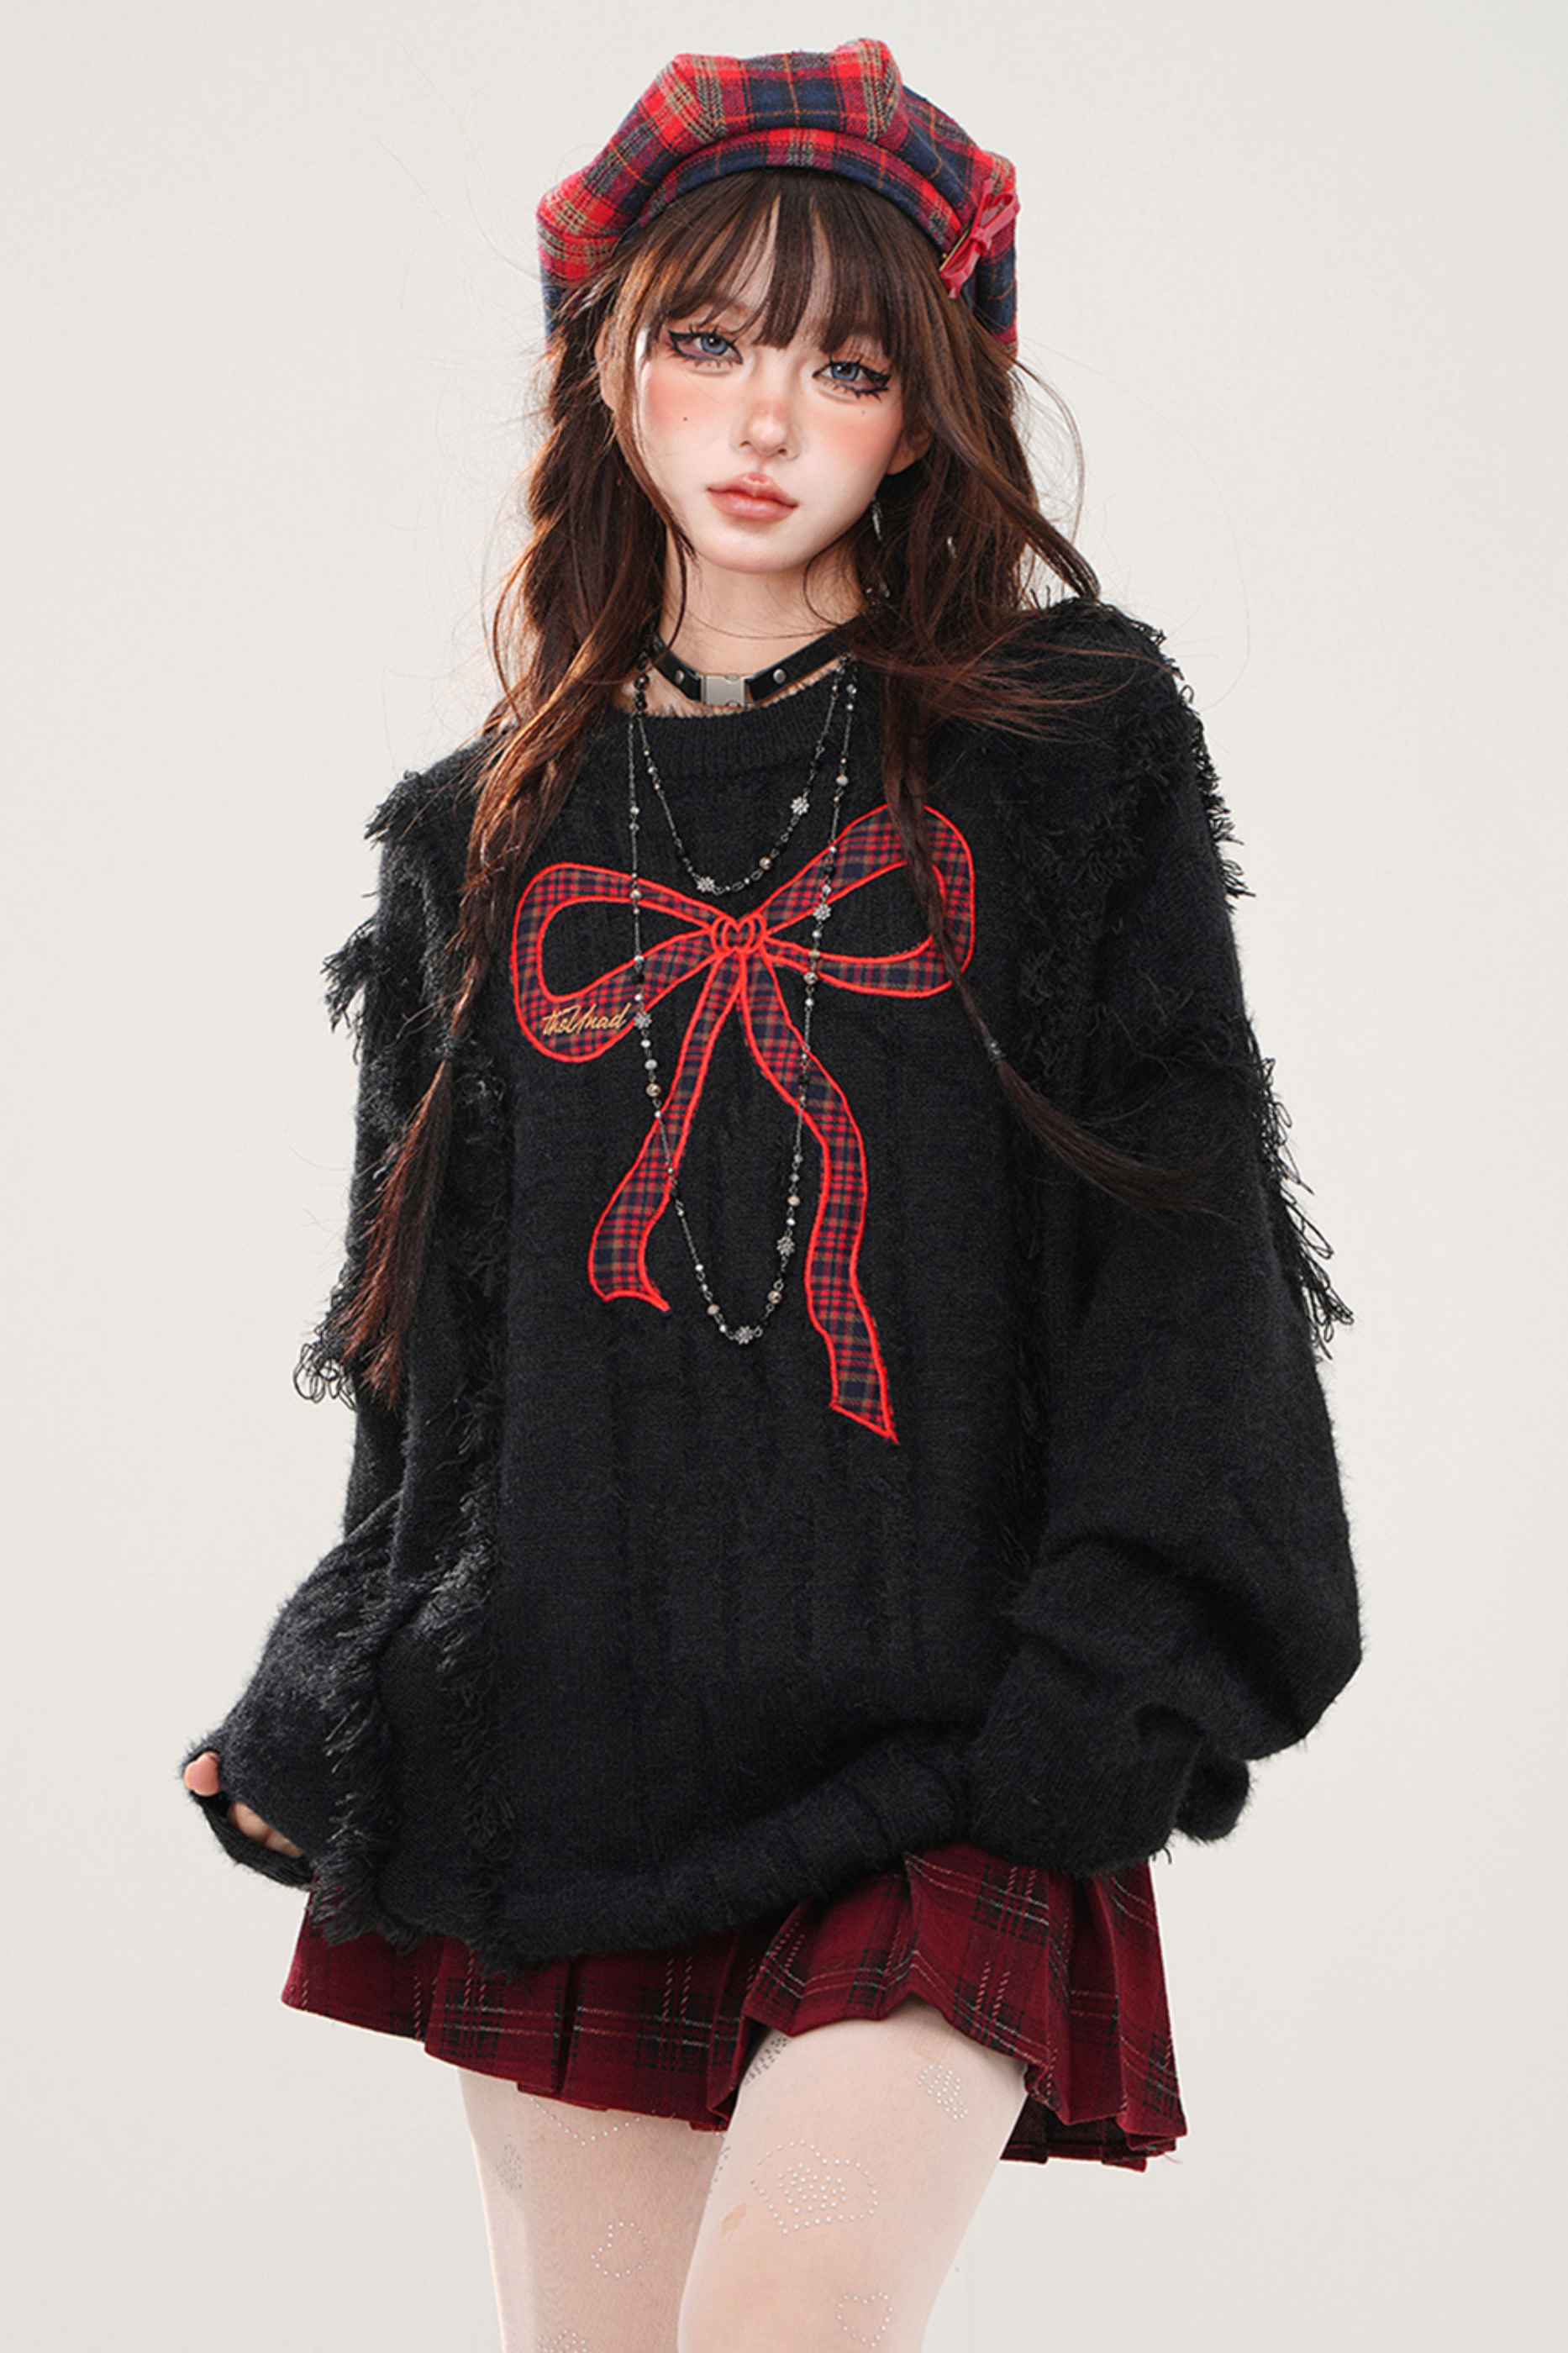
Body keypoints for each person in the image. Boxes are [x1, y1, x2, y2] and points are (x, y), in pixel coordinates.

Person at [182, 37, 1360, 2351]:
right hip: (571, 1760)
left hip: (941, 1761)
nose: (763, 419)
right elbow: (438, 1383)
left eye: (843, 364)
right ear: (606, 361)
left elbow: (1186, 1252)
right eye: (709, 340)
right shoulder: (477, 838)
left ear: (924, 415)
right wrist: (335, 1691)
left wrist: (1095, 1697)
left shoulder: (1058, 753)